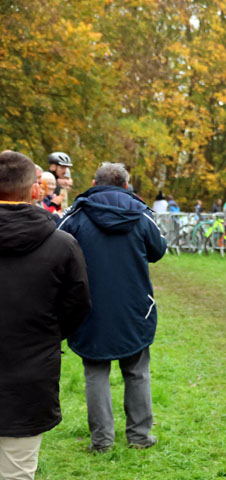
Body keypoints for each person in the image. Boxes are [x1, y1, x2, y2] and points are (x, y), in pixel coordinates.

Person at [58, 162, 166, 453]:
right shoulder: (142, 214)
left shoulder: (77, 216)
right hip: (134, 307)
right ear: (127, 186)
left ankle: (102, 441)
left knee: (96, 373)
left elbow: (57, 247)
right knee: (137, 372)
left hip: (90, 307)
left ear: (94, 182)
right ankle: (140, 436)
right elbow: (159, 249)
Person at [0, 151, 91, 479]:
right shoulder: (63, 245)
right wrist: (46, 334)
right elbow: (77, 306)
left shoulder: (61, 244)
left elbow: (77, 305)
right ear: (35, 190)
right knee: (17, 473)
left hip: (29, 371)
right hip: (30, 374)